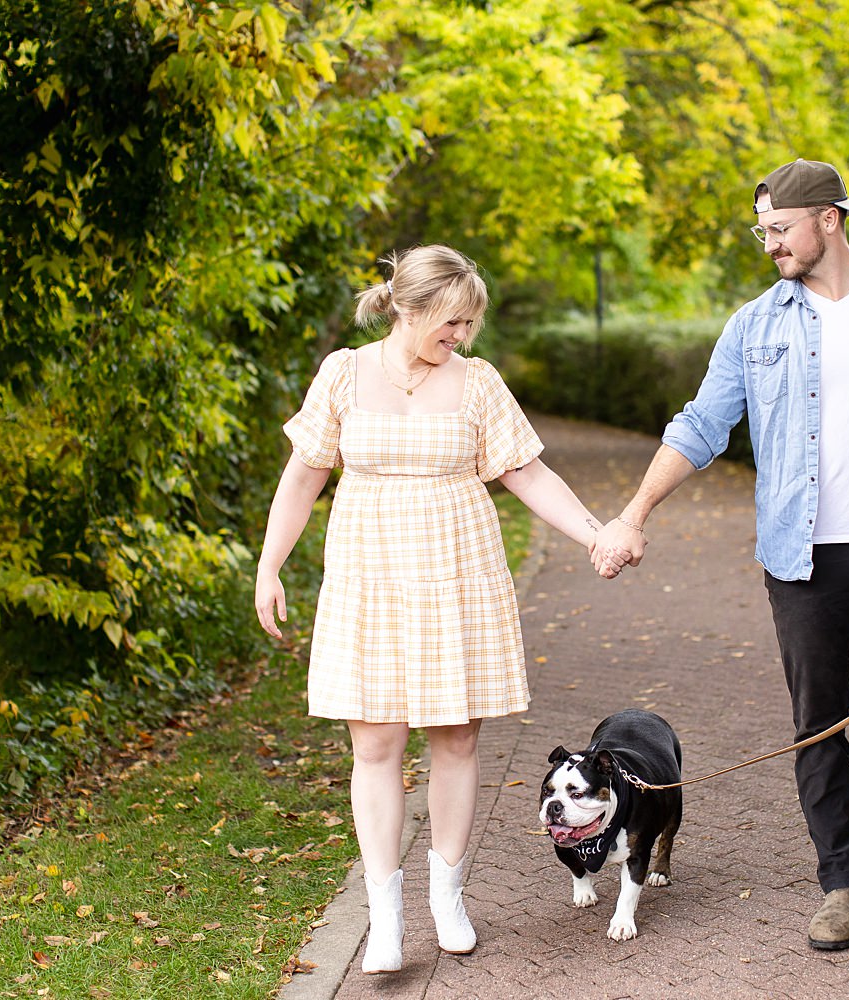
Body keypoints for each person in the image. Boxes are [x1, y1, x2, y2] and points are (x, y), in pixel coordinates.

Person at [592, 159, 849, 951]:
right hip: (803, 559)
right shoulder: (755, 326)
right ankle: (842, 881)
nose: (769, 245)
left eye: (779, 229)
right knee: (817, 724)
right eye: (762, 231)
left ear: (829, 218)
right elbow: (698, 427)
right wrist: (633, 514)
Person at [254, 245, 611, 974]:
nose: (462, 337)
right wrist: (270, 564)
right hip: (369, 575)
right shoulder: (344, 372)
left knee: (454, 740)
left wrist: (596, 534)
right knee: (375, 746)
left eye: (469, 325)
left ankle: (446, 896)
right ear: (408, 308)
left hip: (459, 573)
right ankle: (385, 919)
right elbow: (302, 477)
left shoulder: (477, 383)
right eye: (453, 322)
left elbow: (526, 471)